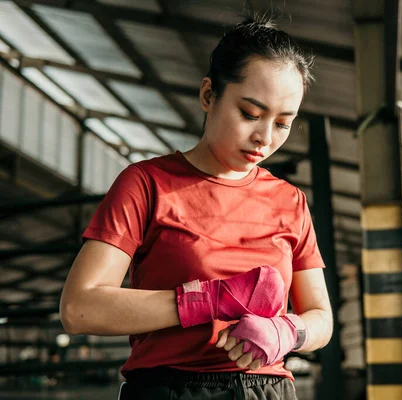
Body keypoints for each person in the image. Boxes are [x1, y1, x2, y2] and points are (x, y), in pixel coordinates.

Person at [59, 15, 333, 400]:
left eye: (283, 123)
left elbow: (321, 317)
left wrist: (288, 331)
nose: (265, 137)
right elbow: (79, 307)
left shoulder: (291, 201)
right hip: (171, 388)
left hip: (267, 392)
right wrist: (208, 300)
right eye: (250, 114)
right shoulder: (147, 184)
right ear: (208, 95)